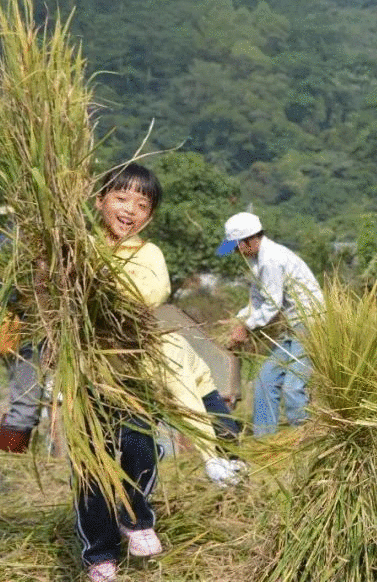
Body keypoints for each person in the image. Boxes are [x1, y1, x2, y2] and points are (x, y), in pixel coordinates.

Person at [78, 163, 242, 582]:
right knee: (93, 466)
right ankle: (99, 552)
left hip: (135, 375)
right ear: (99, 201)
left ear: (150, 215)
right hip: (87, 375)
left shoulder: (149, 254)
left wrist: (96, 288)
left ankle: (136, 519)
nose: (130, 209)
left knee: (141, 450)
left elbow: (152, 293)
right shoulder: (78, 247)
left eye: (142, 203)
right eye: (120, 198)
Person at [218, 212, 324, 436]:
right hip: (291, 328)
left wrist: (246, 328)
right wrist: (239, 319)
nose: (236, 252)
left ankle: (305, 440)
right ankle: (264, 442)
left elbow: (272, 305)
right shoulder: (258, 262)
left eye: (236, 247)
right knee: (264, 382)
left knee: (294, 388)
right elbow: (258, 301)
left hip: (309, 326)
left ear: (249, 240)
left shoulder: (271, 260)